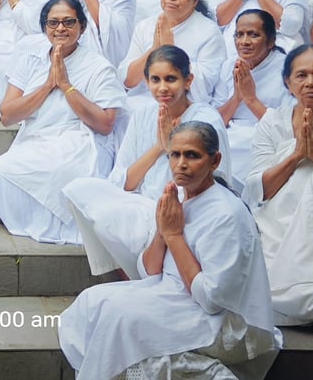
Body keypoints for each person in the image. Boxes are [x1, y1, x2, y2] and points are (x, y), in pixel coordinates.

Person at [59, 121, 280, 380]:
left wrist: (174, 237)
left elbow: (211, 300)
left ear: (215, 161)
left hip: (227, 323)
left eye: (192, 155)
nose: (181, 164)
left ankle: (211, 374)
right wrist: (163, 232)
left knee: (122, 321)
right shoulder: (179, 196)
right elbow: (149, 271)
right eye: (175, 154)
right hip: (176, 294)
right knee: (91, 303)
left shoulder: (226, 214)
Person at [65, 46, 229, 279]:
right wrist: (159, 148)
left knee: (107, 224)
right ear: (146, 81)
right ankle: (130, 275)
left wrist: (173, 147)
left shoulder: (206, 119)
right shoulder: (142, 115)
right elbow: (123, 182)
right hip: (141, 202)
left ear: (188, 80)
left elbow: (214, 182)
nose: (163, 88)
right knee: (76, 190)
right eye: (156, 80)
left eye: (171, 79)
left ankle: (137, 278)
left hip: (182, 211)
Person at [0, 0, 127, 244]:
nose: (61, 28)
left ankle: (59, 227)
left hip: (80, 140)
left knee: (61, 169)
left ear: (82, 27)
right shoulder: (30, 60)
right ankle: (32, 223)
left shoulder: (98, 66)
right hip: (36, 138)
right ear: (45, 27)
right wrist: (49, 83)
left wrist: (67, 86)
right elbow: (7, 115)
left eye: (69, 22)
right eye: (53, 23)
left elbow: (105, 124)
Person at [244, 44, 313, 326]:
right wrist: (297, 154)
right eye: (302, 75)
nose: (310, 82)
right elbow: (258, 189)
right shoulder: (273, 122)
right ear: (288, 81)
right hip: (278, 217)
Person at [120, 0, 226, 105]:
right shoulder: (145, 27)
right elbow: (127, 80)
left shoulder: (209, 31)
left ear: (195, 0)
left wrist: (171, 52)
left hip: (184, 106)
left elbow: (206, 86)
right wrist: (154, 50)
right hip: (142, 102)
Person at [212, 9, 292, 189]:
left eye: (253, 35)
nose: (244, 42)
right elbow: (216, 120)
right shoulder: (229, 66)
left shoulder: (288, 71)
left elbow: (285, 130)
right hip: (229, 133)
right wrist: (237, 98)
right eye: (239, 35)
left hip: (264, 138)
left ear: (271, 41)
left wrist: (251, 100)